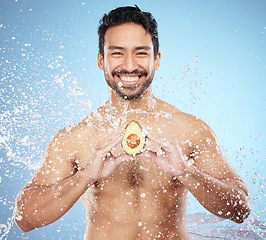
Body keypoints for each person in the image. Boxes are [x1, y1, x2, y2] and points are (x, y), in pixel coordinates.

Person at [14, 5, 251, 240]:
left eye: (141, 53)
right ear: (101, 60)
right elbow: (24, 218)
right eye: (117, 53)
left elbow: (240, 209)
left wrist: (185, 171)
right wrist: (86, 176)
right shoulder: (76, 137)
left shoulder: (189, 129)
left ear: (156, 59)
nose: (129, 65)